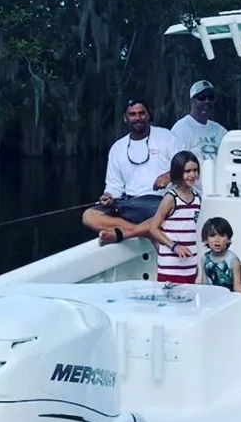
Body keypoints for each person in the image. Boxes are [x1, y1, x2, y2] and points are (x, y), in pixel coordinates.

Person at [82, 96, 184, 244]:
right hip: (130, 204)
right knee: (89, 216)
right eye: (132, 114)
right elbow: (114, 187)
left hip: (160, 202)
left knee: (162, 211)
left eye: (142, 113)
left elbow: (186, 165)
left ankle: (134, 231)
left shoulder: (166, 136)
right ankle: (147, 232)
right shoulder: (118, 148)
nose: (138, 118)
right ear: (125, 118)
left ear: (148, 115)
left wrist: (169, 175)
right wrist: (108, 197)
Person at [145, 151, 202, 284]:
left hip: (190, 264)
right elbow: (153, 228)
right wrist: (174, 246)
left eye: (195, 170)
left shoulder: (197, 198)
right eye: (187, 171)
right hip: (170, 266)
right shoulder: (171, 198)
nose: (192, 175)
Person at [171, 80, 228, 164]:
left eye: (210, 97)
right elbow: (177, 163)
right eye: (201, 97)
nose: (207, 101)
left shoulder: (219, 130)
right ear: (192, 101)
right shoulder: (181, 128)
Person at [196, 216, 241, 293]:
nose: (217, 240)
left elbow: (238, 286)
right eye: (212, 236)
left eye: (222, 236)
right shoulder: (205, 258)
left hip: (228, 298)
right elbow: (204, 282)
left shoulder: (233, 260)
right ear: (205, 240)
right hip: (210, 298)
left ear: (228, 239)